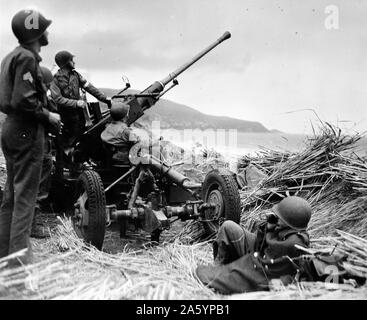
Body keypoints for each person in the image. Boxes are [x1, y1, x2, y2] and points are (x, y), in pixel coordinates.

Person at [0, 10, 62, 265]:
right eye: (44, 28)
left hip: (12, 130)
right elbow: (23, 99)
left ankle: (5, 261)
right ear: (34, 33)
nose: (47, 32)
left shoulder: (11, 57)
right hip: (27, 131)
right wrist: (48, 116)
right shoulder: (26, 58)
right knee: (25, 202)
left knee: (11, 200)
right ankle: (18, 270)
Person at [195, 196, 312, 294]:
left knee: (209, 276)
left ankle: (227, 274)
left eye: (280, 217)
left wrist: (270, 232)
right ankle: (219, 265)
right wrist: (268, 228)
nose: (277, 218)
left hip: (261, 267)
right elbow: (261, 244)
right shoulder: (283, 228)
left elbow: (271, 264)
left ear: (289, 222)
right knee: (228, 226)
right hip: (257, 253)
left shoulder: (294, 243)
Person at [50, 50, 111, 151]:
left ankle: (77, 159)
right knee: (67, 141)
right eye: (71, 60)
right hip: (65, 115)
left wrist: (105, 99)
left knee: (81, 135)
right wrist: (76, 103)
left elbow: (90, 88)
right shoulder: (55, 79)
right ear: (66, 62)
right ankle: (67, 162)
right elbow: (57, 98)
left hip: (78, 114)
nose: (74, 62)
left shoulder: (76, 75)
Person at [31, 66, 59, 239]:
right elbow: (54, 121)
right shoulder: (38, 101)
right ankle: (31, 227)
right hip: (38, 147)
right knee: (38, 188)